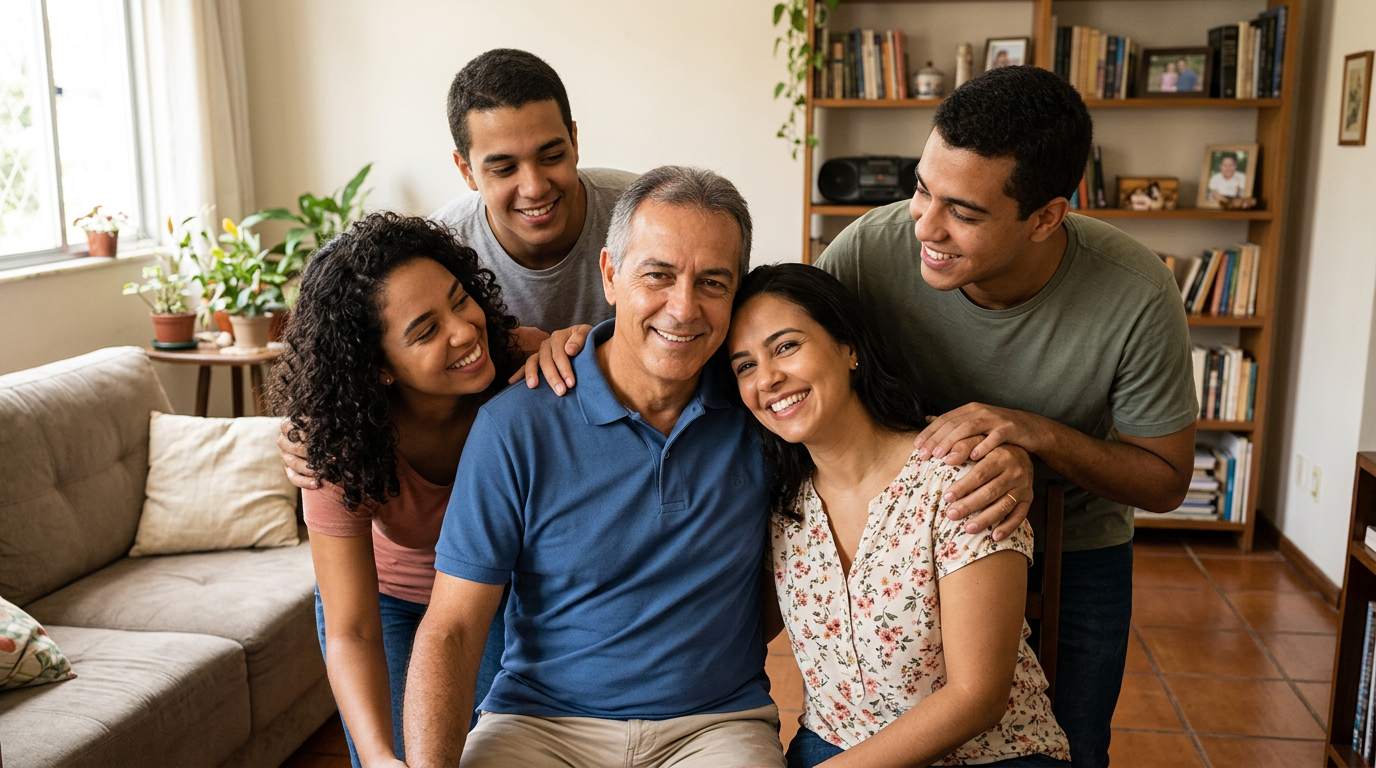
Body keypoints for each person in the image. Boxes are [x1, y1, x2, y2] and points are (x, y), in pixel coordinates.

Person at [813, 66, 1198, 767]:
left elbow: (1166, 481)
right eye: (922, 189)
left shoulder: (1137, 293)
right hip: (901, 540)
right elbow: (785, 359)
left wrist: (1036, 434)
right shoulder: (870, 248)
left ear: (1047, 215)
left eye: (964, 211)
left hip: (1074, 546)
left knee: (1070, 748)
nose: (924, 226)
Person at [403, 166, 786, 768]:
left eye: (713, 282)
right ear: (610, 274)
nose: (683, 309)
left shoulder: (767, 412)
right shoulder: (515, 424)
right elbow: (451, 629)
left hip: (716, 726)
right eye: (657, 275)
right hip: (538, 725)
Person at [726, 263, 1070, 768]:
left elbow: (978, 698)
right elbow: (743, 627)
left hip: (987, 756)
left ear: (850, 349)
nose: (769, 378)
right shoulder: (781, 500)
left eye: (786, 346)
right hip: (835, 742)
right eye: (744, 366)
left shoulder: (959, 476)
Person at [271, 213, 524, 768]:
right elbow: (351, 631)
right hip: (384, 602)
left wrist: (577, 341)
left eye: (461, 300)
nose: (463, 331)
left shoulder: (521, 367)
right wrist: (380, 755)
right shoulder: (338, 442)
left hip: (491, 598)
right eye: (426, 330)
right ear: (378, 367)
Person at [431, 48, 639, 351]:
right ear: (467, 171)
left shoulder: (643, 214)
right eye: (504, 169)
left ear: (574, 141)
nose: (534, 188)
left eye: (552, 157)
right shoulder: (436, 251)